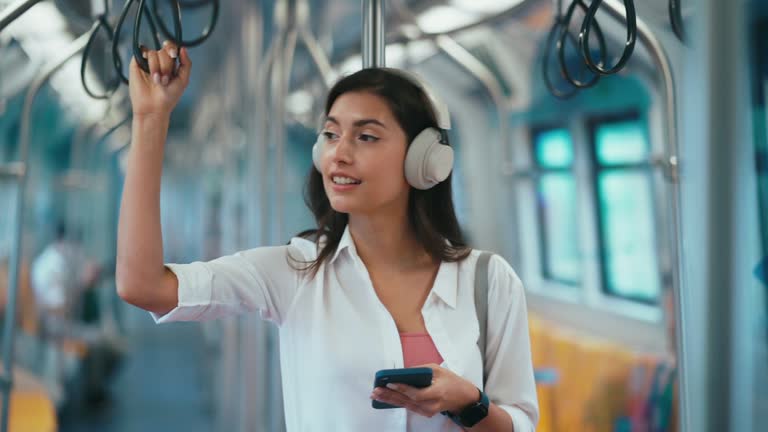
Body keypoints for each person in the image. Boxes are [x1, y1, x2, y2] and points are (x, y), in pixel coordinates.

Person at [116, 40, 539, 431]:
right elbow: (144, 286)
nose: (339, 152)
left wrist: (469, 402)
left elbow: (520, 423)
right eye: (332, 135)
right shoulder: (296, 272)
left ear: (425, 160)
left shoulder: (489, 281)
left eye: (366, 137)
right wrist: (150, 119)